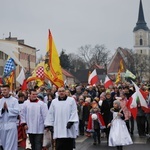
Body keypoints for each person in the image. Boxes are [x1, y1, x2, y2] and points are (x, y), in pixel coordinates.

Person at [0, 84, 19, 150]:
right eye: (2, 90)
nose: (3, 91)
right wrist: (2, 109)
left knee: (10, 145)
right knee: (4, 144)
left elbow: (17, 111)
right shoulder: (0, 101)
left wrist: (8, 109)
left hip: (11, 125)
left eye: (5, 90)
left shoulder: (14, 100)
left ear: (9, 90)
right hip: (2, 125)